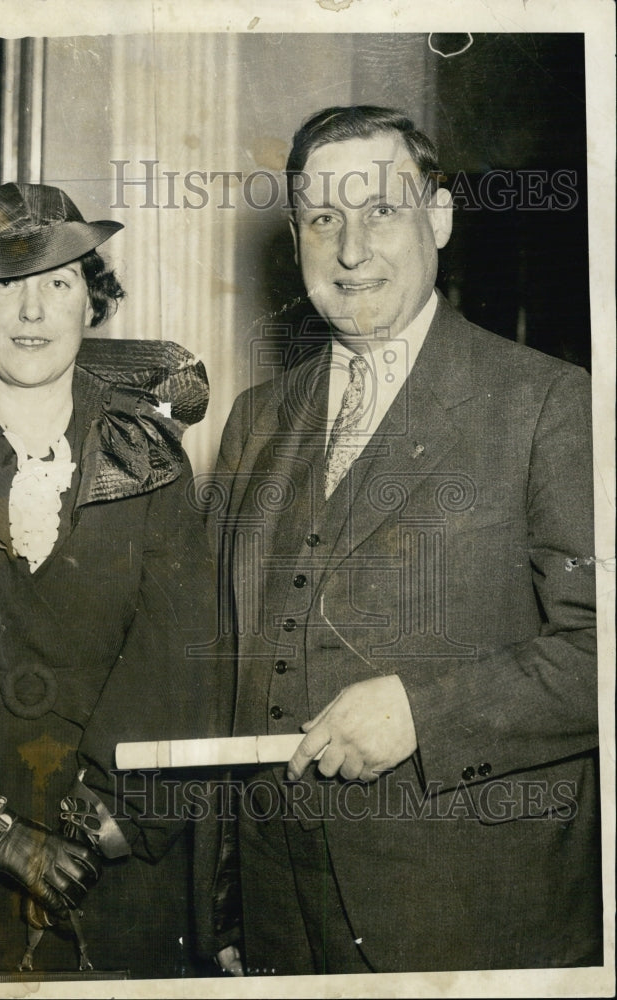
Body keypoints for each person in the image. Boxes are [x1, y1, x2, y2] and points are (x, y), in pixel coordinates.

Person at [208, 106, 600, 975]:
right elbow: (223, 658)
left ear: (441, 218)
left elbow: (602, 651)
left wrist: (427, 711)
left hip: (469, 916)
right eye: (323, 218)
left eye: (381, 210)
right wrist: (225, 900)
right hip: (277, 916)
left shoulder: (549, 402)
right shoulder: (255, 420)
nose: (350, 250)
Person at [0, 182, 223, 984]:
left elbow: (184, 658)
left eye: (57, 282)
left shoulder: (149, 457)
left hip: (115, 873)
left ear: (93, 301)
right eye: (3, 284)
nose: (31, 311)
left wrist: (112, 818)